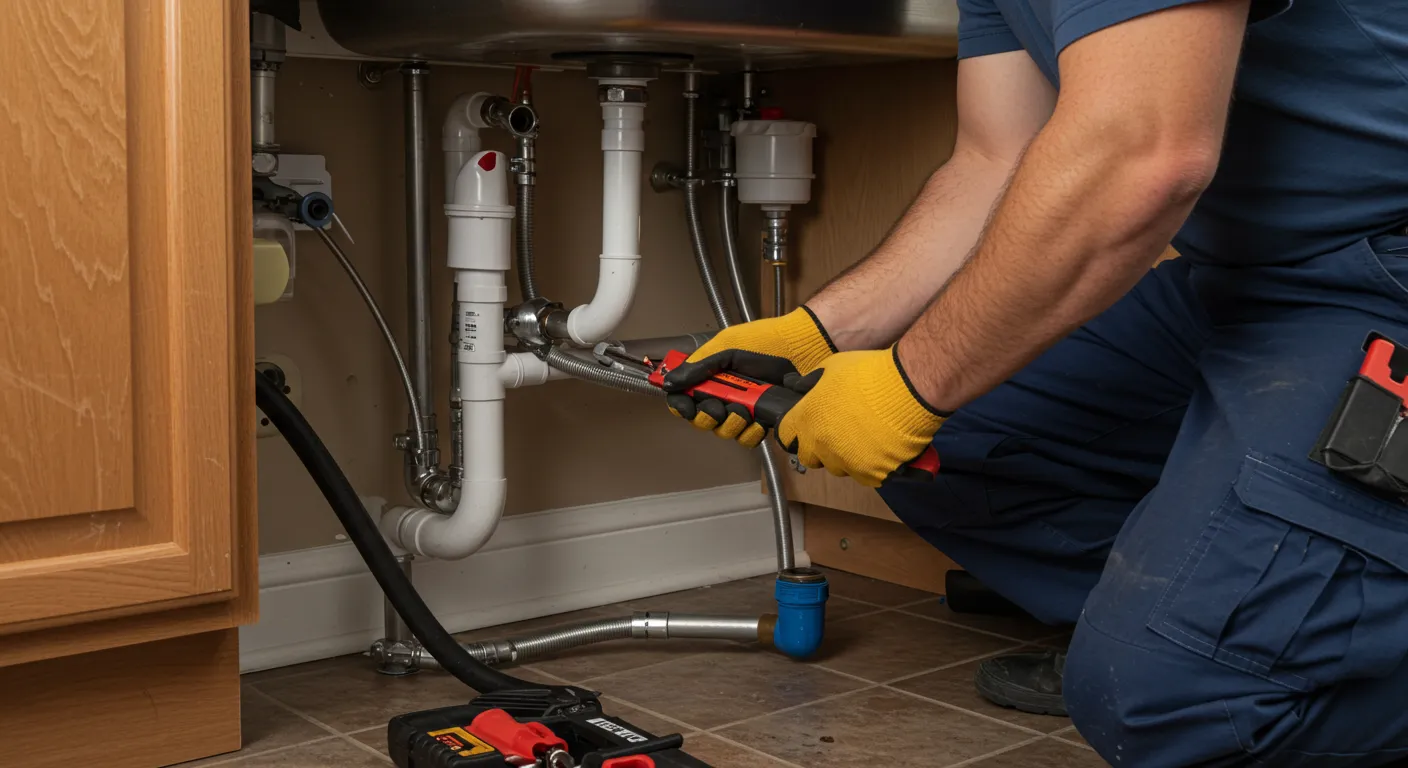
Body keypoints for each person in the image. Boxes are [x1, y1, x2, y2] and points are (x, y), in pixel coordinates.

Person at [662, 0, 1408, 764]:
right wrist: (819, 332)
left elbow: (1146, 157)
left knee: (1173, 708)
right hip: (1244, 278)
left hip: (1386, 276)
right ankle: (1192, 625)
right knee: (958, 446)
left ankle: (1206, 662)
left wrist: (909, 384)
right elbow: (997, 158)